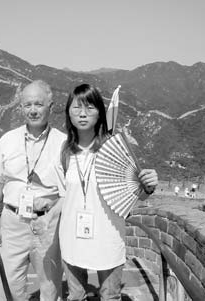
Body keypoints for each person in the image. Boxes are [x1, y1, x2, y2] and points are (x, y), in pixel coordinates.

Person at [57, 84, 158, 300]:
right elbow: (62, 196)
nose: (82, 114)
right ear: (68, 113)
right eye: (76, 108)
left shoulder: (113, 149)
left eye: (90, 107)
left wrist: (147, 186)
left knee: (110, 296)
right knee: (75, 296)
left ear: (100, 113)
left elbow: (134, 193)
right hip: (72, 236)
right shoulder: (65, 152)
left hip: (107, 235)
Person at [0, 80, 66, 300]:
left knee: (50, 289)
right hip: (13, 223)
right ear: (20, 108)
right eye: (27, 105)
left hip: (48, 225)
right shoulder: (7, 140)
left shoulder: (63, 143)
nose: (32, 110)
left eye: (38, 104)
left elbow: (70, 192)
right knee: (10, 288)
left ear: (51, 105)